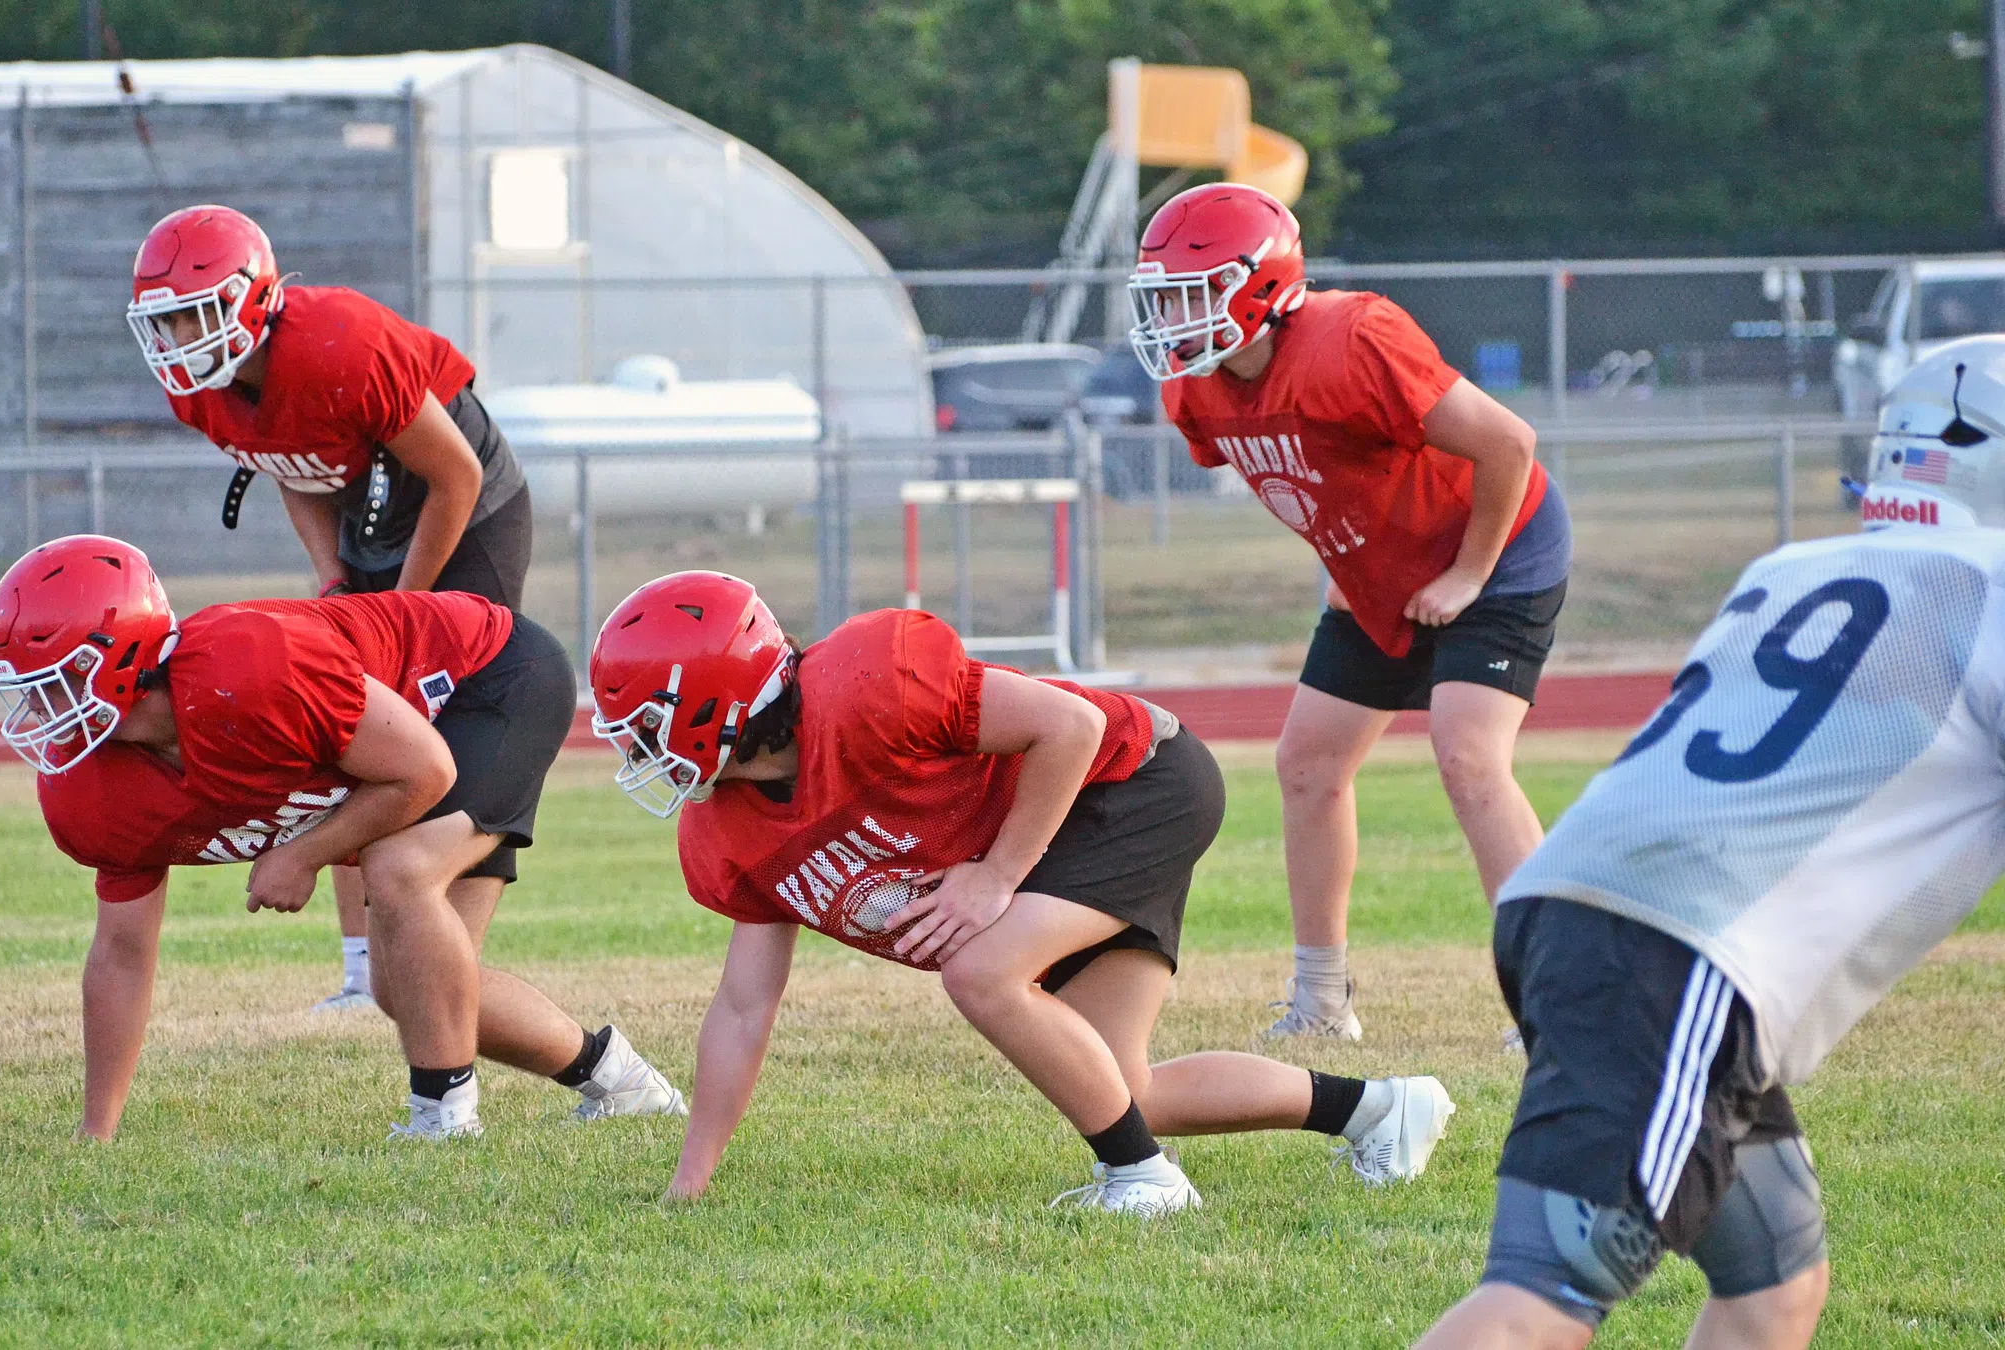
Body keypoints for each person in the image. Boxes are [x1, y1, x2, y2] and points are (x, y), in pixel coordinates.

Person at [1417, 339, 2005, 1348]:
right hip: (1680, 950)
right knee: (1544, 1293)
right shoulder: (1988, 589)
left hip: (1580, 906)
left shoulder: (1795, 565)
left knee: (1776, 1279)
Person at [587, 570, 1455, 1215]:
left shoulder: (868, 686)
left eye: (646, 726)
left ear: (713, 703)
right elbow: (744, 1006)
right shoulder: (728, 833)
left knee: (981, 972)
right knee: (1120, 1087)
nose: (636, 752)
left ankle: (1142, 1179)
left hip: (1131, 783)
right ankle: (1381, 1110)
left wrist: (996, 877)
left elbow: (1071, 725)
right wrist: (689, 1184)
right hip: (1053, 838)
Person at [0, 534, 683, 1143]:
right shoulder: (93, 789)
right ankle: (623, 1083)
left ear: (118, 658)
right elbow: (121, 952)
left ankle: (444, 1121)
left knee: (400, 870)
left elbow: (425, 771)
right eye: (27, 689)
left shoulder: (246, 671)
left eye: (52, 683)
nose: (38, 710)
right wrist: (98, 1131)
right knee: (409, 988)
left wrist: (303, 854)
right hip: (407, 751)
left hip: (483, 677)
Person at [1129, 183, 1574, 1041]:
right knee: (1307, 763)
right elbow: (1313, 472)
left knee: (1469, 757)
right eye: (1165, 298)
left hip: (1497, 542)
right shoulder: (1195, 393)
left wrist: (1469, 574)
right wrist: (1352, 561)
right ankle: (1322, 1001)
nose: (1175, 319)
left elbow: (1508, 444)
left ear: (1260, 286)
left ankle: (1554, 1003)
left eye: (1195, 293)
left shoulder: (1354, 340)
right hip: (1388, 565)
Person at [126, 204, 534, 1013]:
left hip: (465, 505)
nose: (180, 339)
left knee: (456, 729)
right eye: (166, 322)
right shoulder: (200, 392)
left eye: (196, 314)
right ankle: (361, 972)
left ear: (252, 297)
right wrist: (333, 577)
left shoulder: (339, 343)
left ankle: (447, 961)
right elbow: (290, 462)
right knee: (345, 722)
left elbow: (456, 476)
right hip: (367, 509)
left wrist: (402, 611)